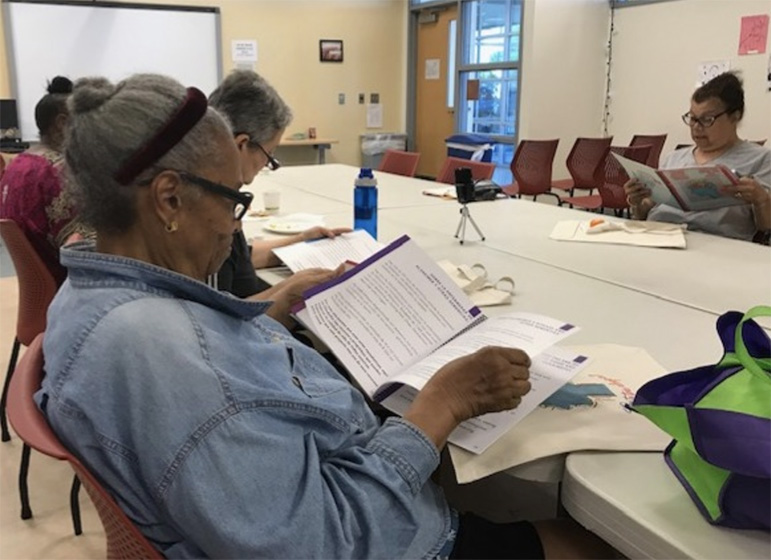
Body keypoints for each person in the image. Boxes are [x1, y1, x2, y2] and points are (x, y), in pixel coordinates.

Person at [39, 73, 613, 559]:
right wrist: (444, 405)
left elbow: (215, 403)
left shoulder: (90, 297)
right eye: (235, 199)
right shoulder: (159, 350)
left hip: (327, 480)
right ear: (169, 199)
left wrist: (269, 310)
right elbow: (323, 541)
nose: (235, 224)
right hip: (392, 538)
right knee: (599, 542)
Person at [209, 70, 350, 298]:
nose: (267, 164)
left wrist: (301, 241)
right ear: (242, 144)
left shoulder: (223, 193)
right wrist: (289, 293)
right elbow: (221, 321)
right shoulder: (209, 210)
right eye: (270, 153)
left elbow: (240, 258)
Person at [624, 71, 771, 242]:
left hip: (715, 245)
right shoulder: (674, 158)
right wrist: (637, 202)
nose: (696, 127)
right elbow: (646, 211)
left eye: (707, 119)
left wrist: (761, 199)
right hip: (658, 235)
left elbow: (766, 227)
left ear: (735, 116)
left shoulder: (760, 159)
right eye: (692, 118)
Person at [0, 76, 86, 284]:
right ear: (62, 123)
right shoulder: (57, 173)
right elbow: (80, 250)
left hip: (36, 282)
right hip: (64, 285)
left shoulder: (16, 164)